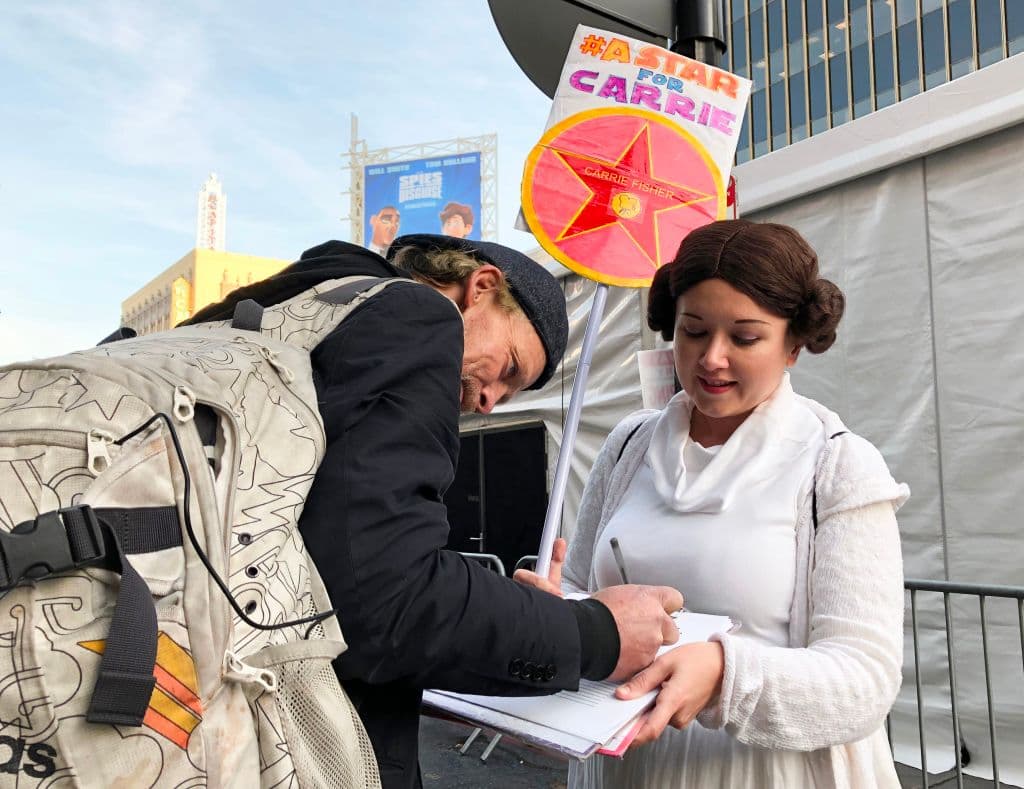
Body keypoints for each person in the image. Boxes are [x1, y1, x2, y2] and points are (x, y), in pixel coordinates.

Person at [186, 234, 683, 789]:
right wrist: (593, 633)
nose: (489, 401)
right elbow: (386, 599)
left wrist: (515, 613)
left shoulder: (268, 311)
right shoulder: (416, 317)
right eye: (509, 367)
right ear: (482, 287)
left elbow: (327, 562)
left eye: (510, 395)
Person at [530, 220, 909, 788]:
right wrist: (556, 615)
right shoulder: (628, 446)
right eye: (694, 331)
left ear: (794, 345)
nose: (712, 358)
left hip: (764, 771)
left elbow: (865, 681)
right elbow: (585, 588)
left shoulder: (837, 465)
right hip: (625, 760)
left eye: (745, 338)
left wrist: (725, 674)